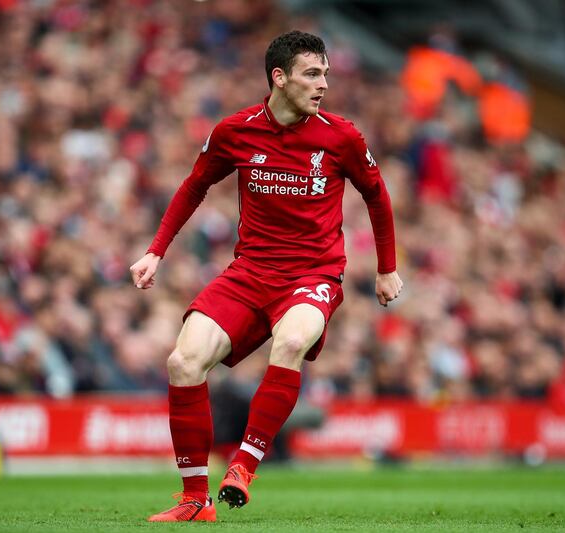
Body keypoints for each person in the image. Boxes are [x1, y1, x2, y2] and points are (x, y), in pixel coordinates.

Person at [129, 30, 403, 522]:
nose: (323, 84)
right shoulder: (236, 131)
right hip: (249, 272)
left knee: (291, 341)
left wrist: (387, 270)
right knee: (182, 362)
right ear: (279, 77)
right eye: (312, 74)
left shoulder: (342, 136)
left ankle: (245, 466)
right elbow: (194, 187)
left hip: (313, 274)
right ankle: (195, 501)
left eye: (325, 74)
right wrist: (155, 252)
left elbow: (378, 198)